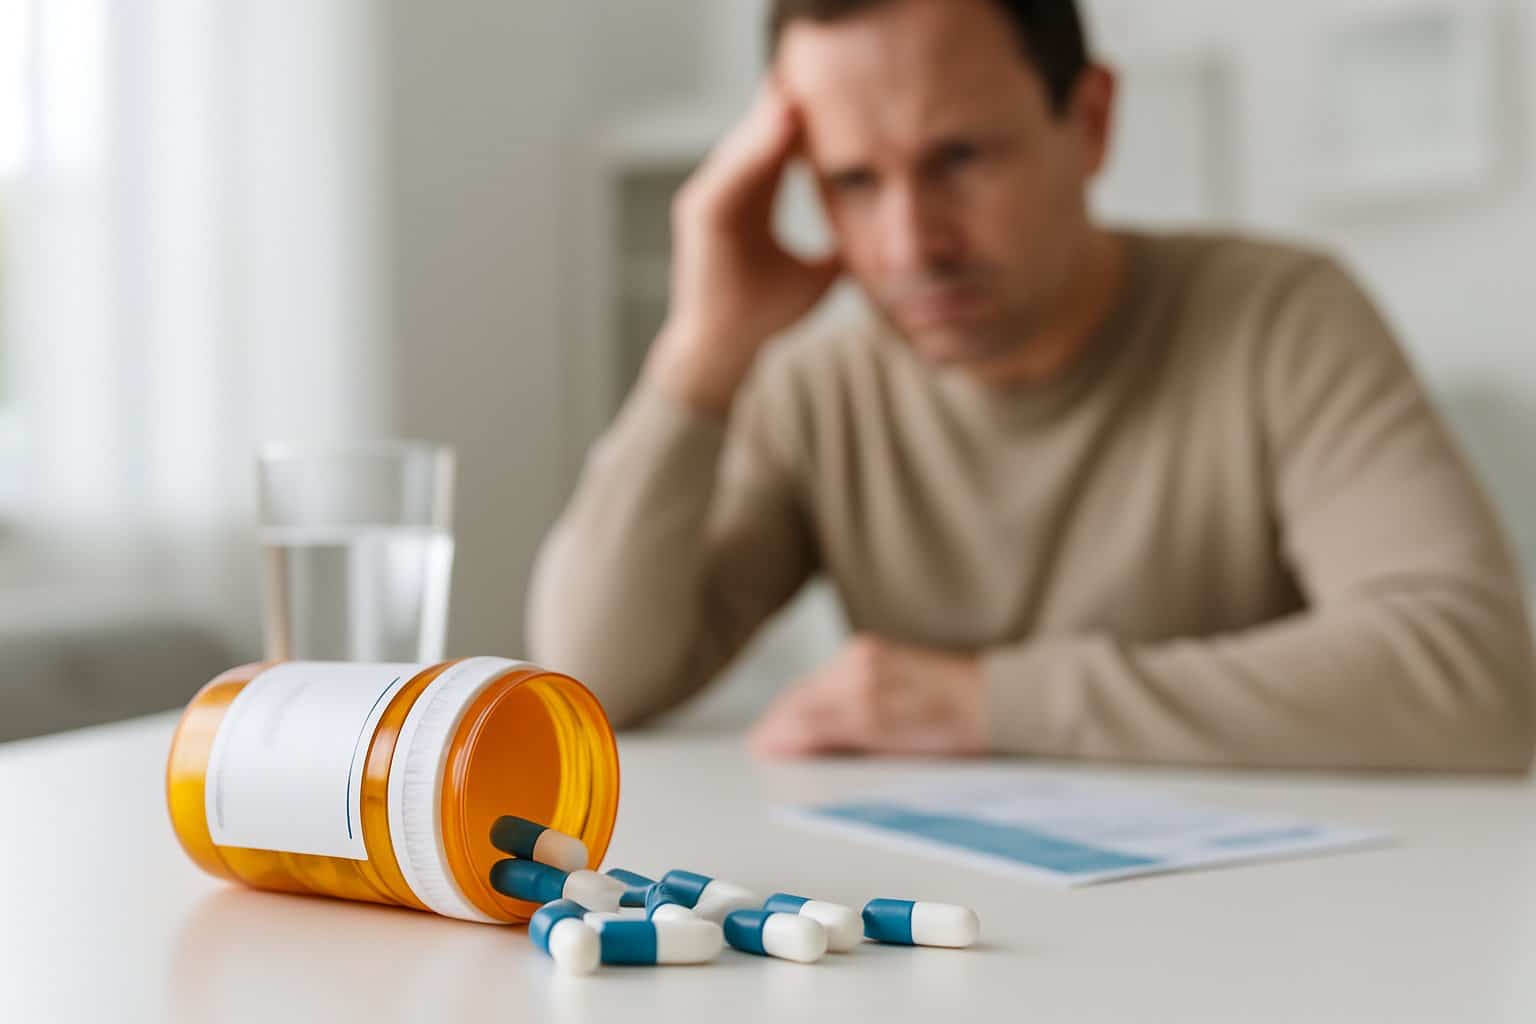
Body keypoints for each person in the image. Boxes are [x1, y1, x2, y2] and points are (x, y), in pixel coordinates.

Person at [528, 0, 1536, 771]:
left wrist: (986, 703)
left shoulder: (1281, 318)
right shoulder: (820, 393)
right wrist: (701, 355)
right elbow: (591, 681)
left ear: (1091, 120)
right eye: (853, 182)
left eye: (958, 157)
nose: (911, 244)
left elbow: (1473, 678)